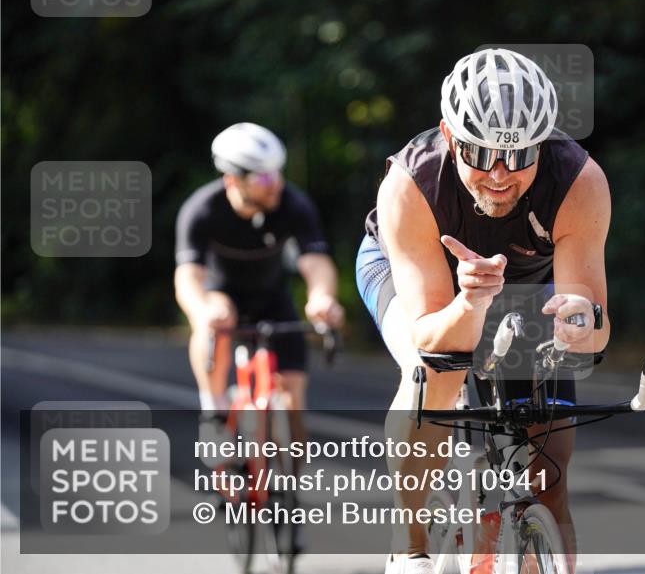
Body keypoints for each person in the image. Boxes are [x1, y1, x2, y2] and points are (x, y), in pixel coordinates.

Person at [356, 48, 611, 574]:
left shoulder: (578, 182)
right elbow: (431, 331)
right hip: (416, 275)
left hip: (525, 288)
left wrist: (581, 319)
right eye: (481, 154)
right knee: (436, 375)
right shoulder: (410, 184)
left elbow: (596, 333)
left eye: (518, 157)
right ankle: (410, 550)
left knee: (548, 475)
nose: (499, 174)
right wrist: (471, 299)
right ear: (450, 136)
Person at [174, 122, 345, 438]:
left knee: (295, 412)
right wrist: (201, 312)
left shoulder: (294, 203)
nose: (276, 184)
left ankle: (288, 484)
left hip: (273, 299)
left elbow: (316, 261)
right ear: (233, 180)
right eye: (264, 177)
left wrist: (321, 297)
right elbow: (188, 276)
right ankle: (213, 412)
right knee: (218, 314)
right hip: (221, 296)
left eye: (278, 172)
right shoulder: (202, 210)